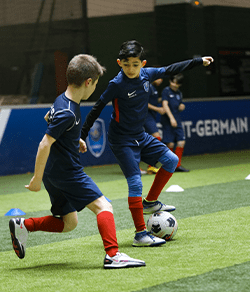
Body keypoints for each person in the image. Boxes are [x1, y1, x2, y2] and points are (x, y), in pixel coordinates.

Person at [9, 54, 145, 269]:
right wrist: (36, 178)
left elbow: (49, 118)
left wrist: (75, 138)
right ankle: (113, 255)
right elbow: (45, 143)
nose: (95, 88)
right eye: (96, 83)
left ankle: (23, 225)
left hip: (55, 173)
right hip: (67, 172)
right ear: (88, 82)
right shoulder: (69, 111)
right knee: (104, 206)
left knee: (69, 223)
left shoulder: (63, 100)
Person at [80, 40, 214, 247]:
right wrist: (82, 135)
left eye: (135, 64)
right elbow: (97, 108)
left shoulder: (147, 74)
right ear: (119, 63)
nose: (131, 69)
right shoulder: (116, 85)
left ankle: (150, 202)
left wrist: (198, 61)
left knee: (171, 160)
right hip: (122, 140)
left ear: (142, 63)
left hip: (140, 136)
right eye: (126, 64)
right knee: (135, 183)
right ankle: (140, 235)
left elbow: (171, 69)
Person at [161, 73, 189, 172]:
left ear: (179, 84)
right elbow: (165, 105)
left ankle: (177, 165)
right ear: (170, 81)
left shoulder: (179, 93)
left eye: (176, 83)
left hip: (177, 120)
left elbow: (178, 104)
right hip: (168, 120)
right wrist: (171, 118)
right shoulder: (166, 91)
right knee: (170, 144)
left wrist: (182, 107)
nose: (174, 84)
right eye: (173, 82)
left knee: (181, 142)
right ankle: (169, 165)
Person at [143, 78, 164, 174]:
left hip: (150, 116)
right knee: (157, 137)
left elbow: (154, 100)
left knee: (143, 141)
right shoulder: (147, 86)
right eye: (159, 77)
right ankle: (151, 165)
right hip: (146, 115)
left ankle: (150, 166)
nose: (161, 80)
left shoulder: (153, 88)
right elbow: (144, 103)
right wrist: (157, 109)